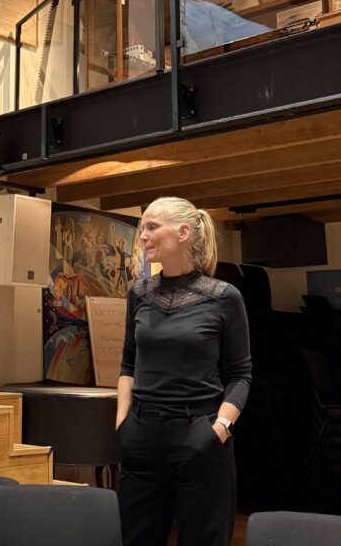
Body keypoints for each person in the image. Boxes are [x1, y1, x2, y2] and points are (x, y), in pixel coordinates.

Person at [116, 196, 251, 546]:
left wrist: (219, 429)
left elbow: (241, 374)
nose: (143, 235)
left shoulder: (224, 296)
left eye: (152, 226)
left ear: (184, 232)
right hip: (143, 437)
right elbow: (128, 363)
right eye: (142, 228)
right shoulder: (139, 293)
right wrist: (123, 424)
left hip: (200, 436)